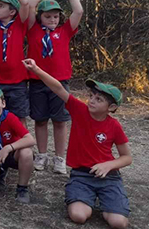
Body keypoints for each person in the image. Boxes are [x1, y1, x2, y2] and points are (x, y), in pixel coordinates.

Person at [23, 59, 131, 228]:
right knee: (78, 216)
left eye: (99, 99)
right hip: (81, 175)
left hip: (108, 177)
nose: (92, 101)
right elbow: (58, 88)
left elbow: (127, 157)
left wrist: (108, 165)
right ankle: (87, 197)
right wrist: (36, 70)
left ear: (111, 108)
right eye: (91, 96)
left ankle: (108, 200)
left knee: (118, 222)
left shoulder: (114, 126)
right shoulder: (79, 110)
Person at [27, 0, 84, 174]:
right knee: (41, 119)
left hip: (60, 83)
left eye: (56, 16)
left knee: (60, 121)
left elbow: (78, 11)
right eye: (48, 16)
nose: (52, 20)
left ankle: (60, 158)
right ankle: (42, 154)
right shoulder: (32, 29)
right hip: (37, 82)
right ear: (40, 17)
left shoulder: (65, 31)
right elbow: (30, 5)